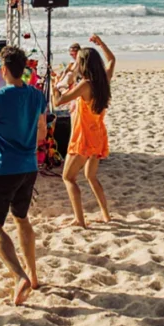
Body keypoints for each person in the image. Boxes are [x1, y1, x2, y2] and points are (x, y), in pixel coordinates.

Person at [0, 46, 47, 306]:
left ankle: (20, 277)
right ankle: (34, 274)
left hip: (5, 167)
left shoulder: (0, 96)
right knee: (22, 219)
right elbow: (41, 132)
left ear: (4, 69)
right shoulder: (36, 95)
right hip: (29, 166)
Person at [51, 35, 115, 227]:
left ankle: (79, 219)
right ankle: (105, 215)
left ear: (84, 64)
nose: (75, 63)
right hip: (98, 134)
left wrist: (56, 86)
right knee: (90, 176)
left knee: (68, 177)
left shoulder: (85, 84)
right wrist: (101, 43)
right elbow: (112, 60)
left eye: (78, 61)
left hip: (84, 137)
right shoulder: (104, 79)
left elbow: (58, 102)